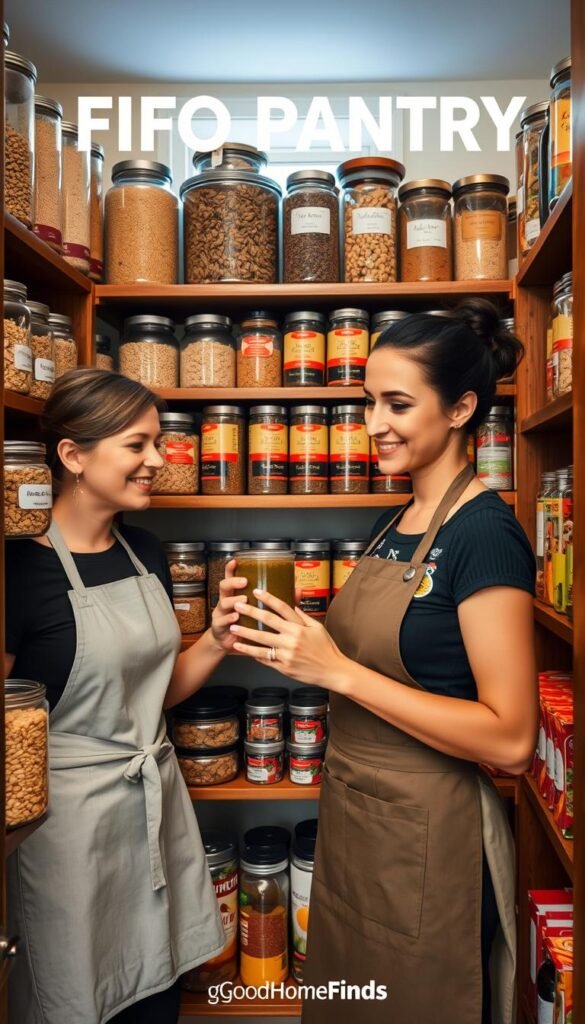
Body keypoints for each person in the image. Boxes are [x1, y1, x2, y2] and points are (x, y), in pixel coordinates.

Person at [227, 300, 538, 1024]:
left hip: (432, 843)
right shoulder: (390, 524)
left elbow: (511, 739)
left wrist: (336, 671)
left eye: (397, 403)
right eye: (368, 401)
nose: (373, 424)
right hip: (358, 825)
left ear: (461, 408)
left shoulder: (484, 535)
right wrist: (280, 637)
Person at [5, 369, 249, 1024]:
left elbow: (152, 694)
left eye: (158, 443)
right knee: (73, 996)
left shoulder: (144, 550)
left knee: (155, 994)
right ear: (73, 456)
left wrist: (219, 637)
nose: (158, 460)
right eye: (136, 445)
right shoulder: (20, 569)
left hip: (154, 810)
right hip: (67, 833)